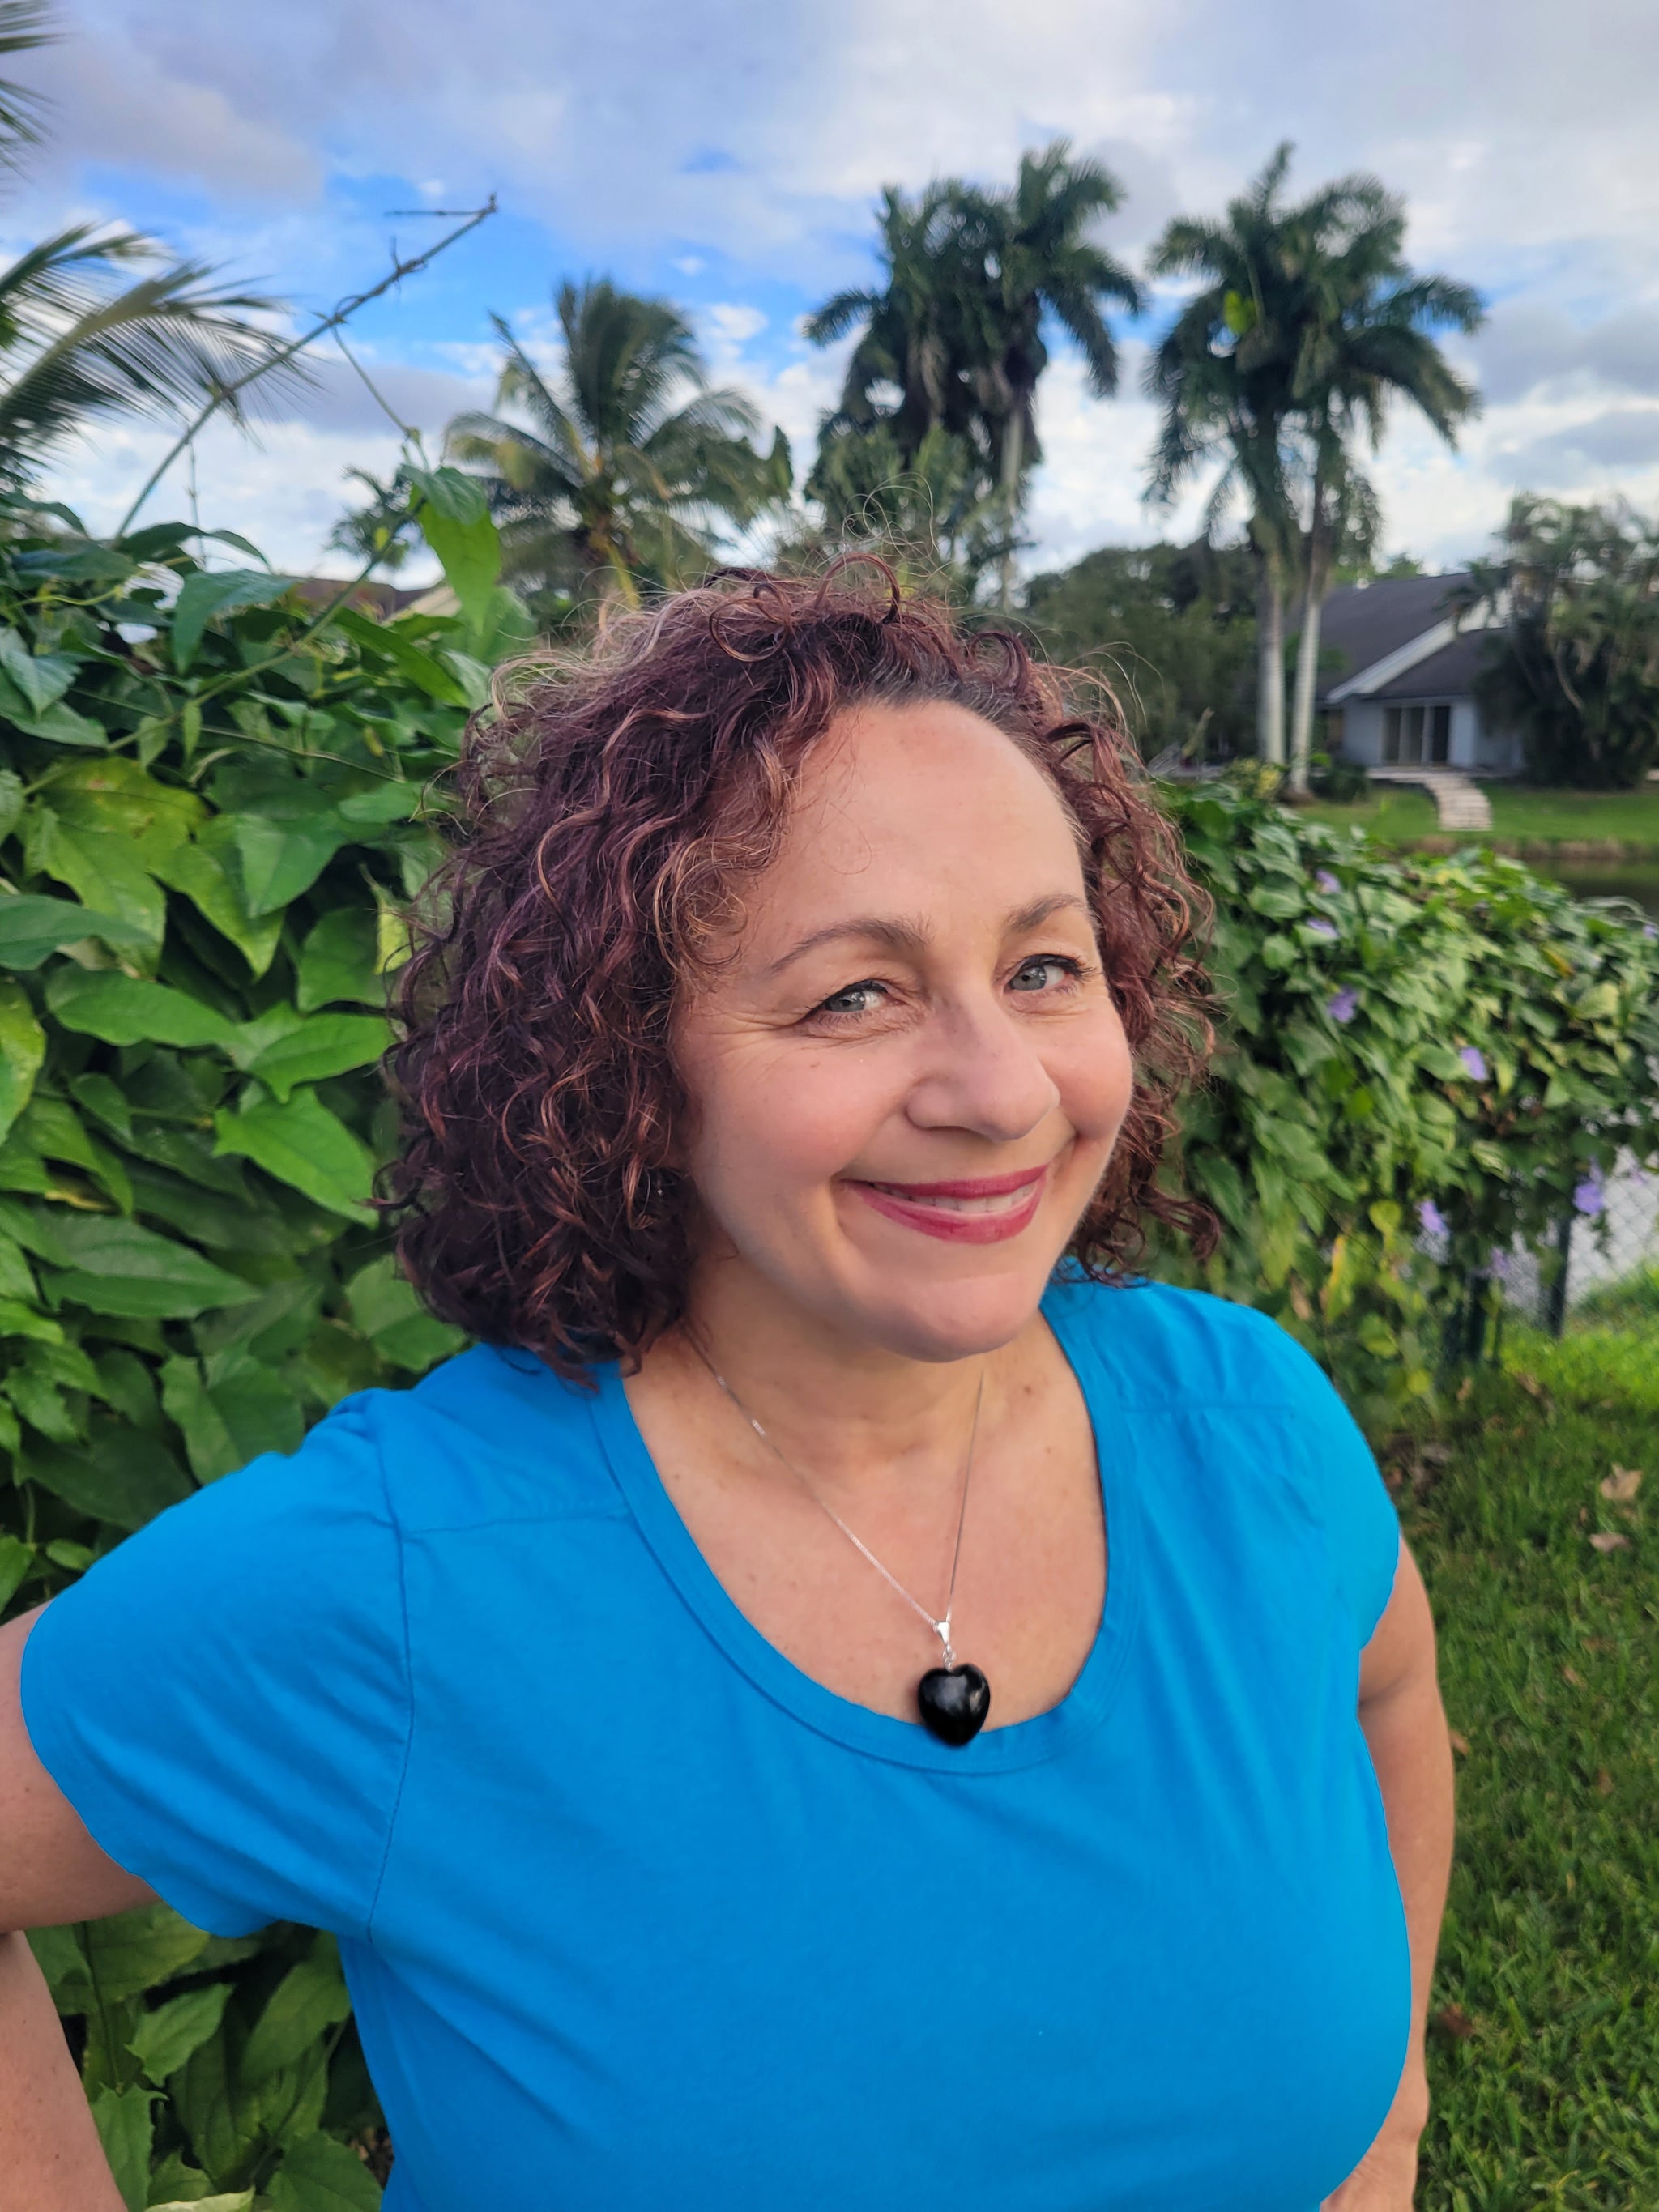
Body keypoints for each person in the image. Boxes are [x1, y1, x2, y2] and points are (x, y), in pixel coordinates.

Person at [0, 565, 1452, 2211]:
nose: (999, 1088)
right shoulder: (418, 1572)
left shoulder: (1246, 1429)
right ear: (629, 1060)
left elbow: (1391, 1706)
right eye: (855, 992)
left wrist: (1383, 2113)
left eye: (1045, 967)